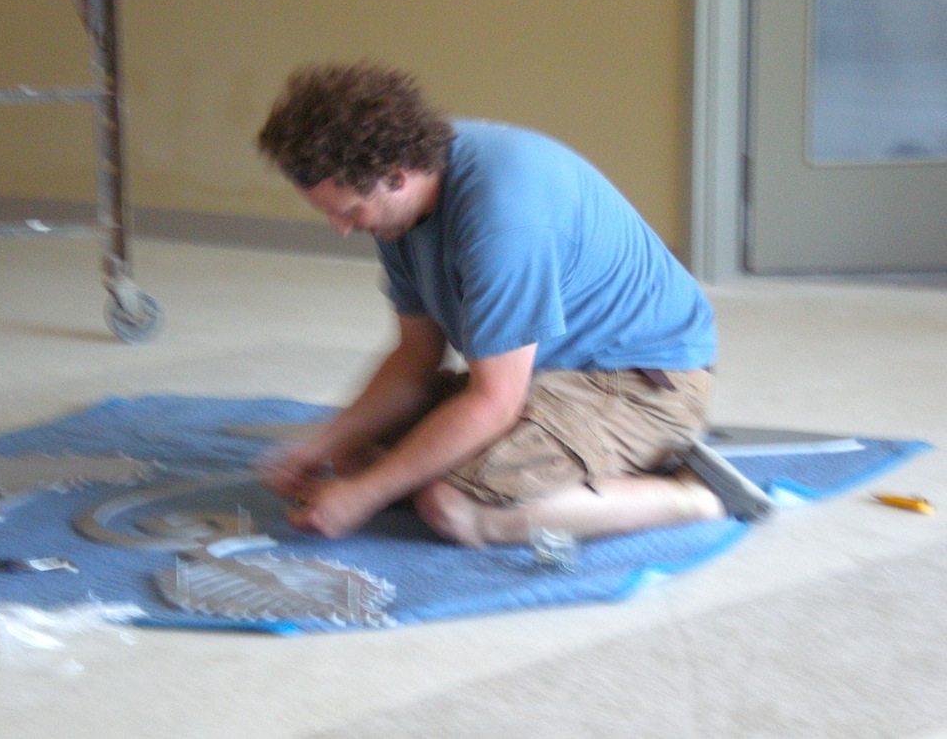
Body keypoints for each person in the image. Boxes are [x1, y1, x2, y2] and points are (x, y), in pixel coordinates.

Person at [256, 62, 771, 547]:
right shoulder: (399, 205)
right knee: (355, 457)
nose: (342, 228)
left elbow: (494, 401)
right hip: (540, 376)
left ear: (397, 175)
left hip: (640, 383)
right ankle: (585, 466)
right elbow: (415, 357)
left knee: (449, 505)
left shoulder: (503, 217)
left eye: (350, 212)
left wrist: (364, 498)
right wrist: (321, 446)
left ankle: (690, 496)